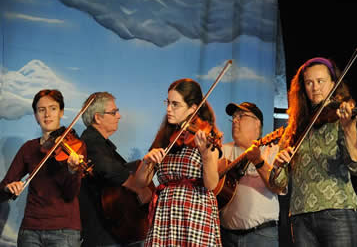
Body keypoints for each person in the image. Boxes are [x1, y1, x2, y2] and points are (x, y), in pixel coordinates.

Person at [271, 57, 357, 247]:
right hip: (300, 217)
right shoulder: (294, 128)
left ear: (333, 83)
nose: (315, 87)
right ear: (302, 88)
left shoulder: (341, 118)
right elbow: (277, 185)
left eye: (321, 81)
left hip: (337, 211)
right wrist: (278, 164)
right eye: (309, 82)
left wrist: (349, 129)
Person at [134, 78, 223, 246]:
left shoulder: (206, 136)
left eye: (175, 104)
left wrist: (205, 154)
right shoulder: (166, 136)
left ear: (193, 108)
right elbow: (140, 182)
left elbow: (211, 184)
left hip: (194, 212)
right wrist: (146, 161)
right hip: (165, 212)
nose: (168, 109)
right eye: (168, 103)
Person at [0, 89, 83, 247]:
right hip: (30, 231)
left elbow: (71, 194)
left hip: (65, 232)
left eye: (53, 108)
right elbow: (3, 188)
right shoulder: (29, 148)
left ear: (61, 112)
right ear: (36, 116)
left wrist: (73, 171)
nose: (47, 115)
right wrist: (8, 188)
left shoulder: (75, 147)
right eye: (41, 110)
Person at [79, 92, 147, 247]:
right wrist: (138, 188)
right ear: (98, 117)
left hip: (113, 231)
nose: (119, 116)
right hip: (101, 233)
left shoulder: (103, 145)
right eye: (114, 112)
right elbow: (107, 168)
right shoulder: (90, 142)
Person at [219, 101, 282, 247]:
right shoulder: (222, 151)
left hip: (261, 236)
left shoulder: (271, 151)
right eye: (234, 117)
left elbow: (277, 187)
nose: (235, 120)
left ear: (257, 124)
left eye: (241, 116)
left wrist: (258, 161)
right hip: (227, 236)